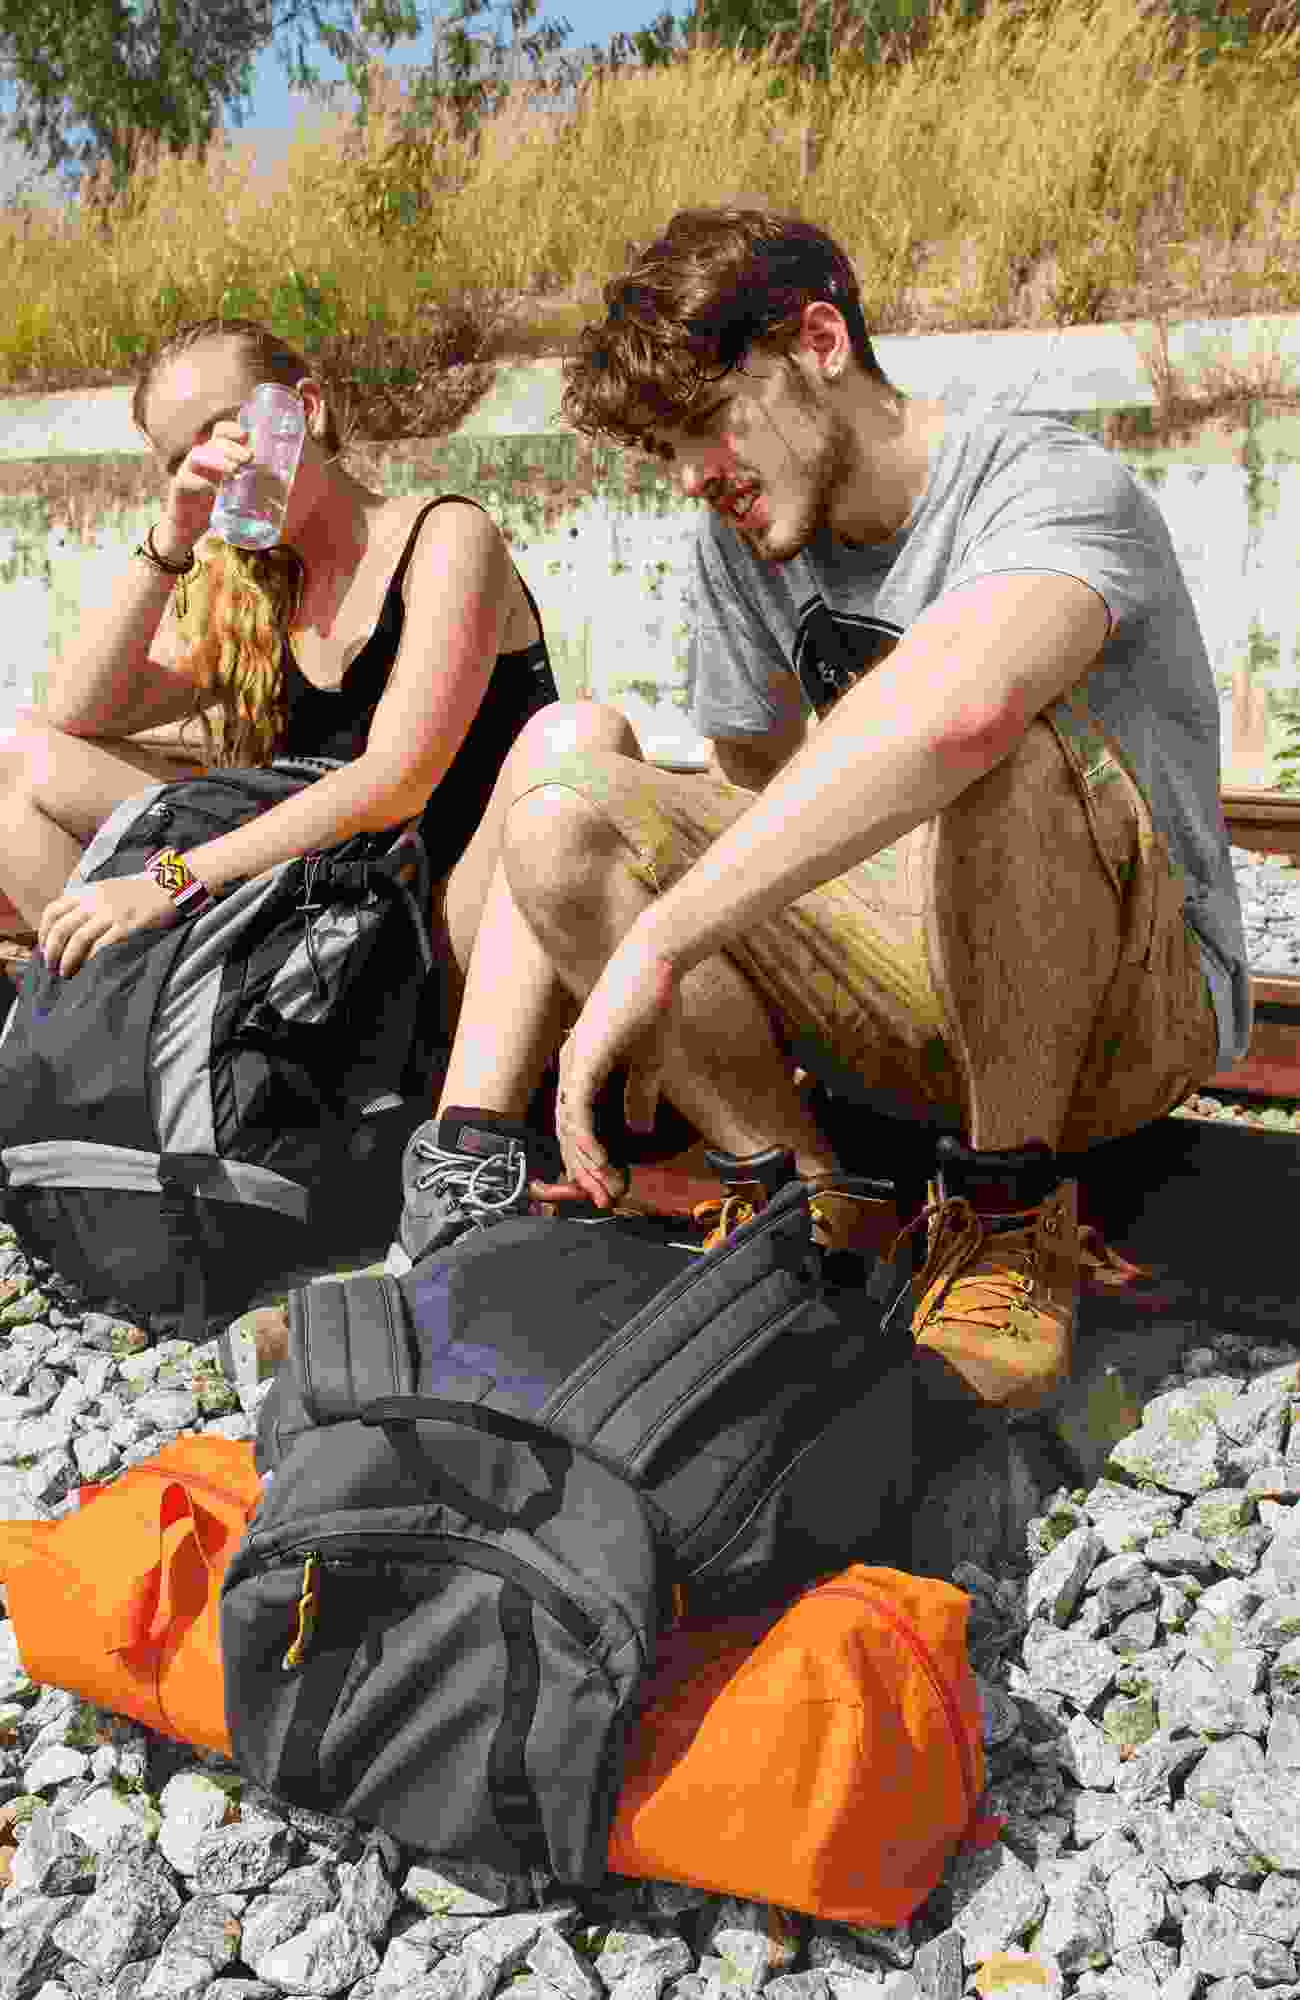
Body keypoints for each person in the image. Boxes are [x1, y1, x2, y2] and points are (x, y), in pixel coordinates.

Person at [394, 206, 1252, 1411]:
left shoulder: (1048, 482)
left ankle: (1007, 1218)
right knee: (563, 808)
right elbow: (754, 786)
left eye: (707, 426)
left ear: (819, 340)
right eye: (669, 453)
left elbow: (960, 717)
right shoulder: (742, 541)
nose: (696, 476)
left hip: (1127, 1008)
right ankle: (805, 1206)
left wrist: (658, 938)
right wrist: (646, 946)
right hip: (912, 997)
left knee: (993, 742)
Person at [0, 317, 638, 1221]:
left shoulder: (446, 538)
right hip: (318, 930)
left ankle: (460, 1149)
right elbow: (73, 714)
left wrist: (171, 879)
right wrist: (175, 530)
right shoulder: (264, 590)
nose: (213, 465)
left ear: (307, 409)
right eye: (183, 454)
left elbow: (397, 782)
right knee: (18, 767)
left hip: (447, 928)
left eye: (227, 429)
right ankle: (145, 1085)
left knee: (579, 736)